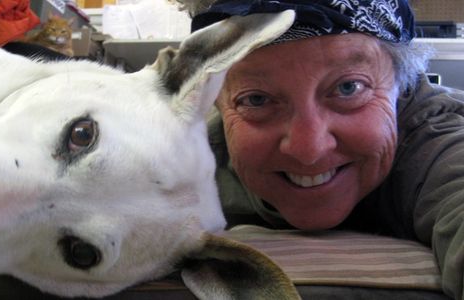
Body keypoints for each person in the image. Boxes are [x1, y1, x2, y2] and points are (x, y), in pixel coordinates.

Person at [186, 0, 464, 299]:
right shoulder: (187, 161)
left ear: (402, 85)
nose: (309, 150)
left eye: (348, 88)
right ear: (215, 101)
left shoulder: (435, 141)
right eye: (257, 100)